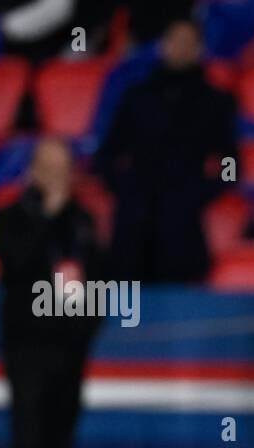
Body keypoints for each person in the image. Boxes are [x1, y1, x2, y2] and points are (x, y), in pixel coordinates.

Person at [0, 137, 101, 448]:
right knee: (29, 430)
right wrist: (48, 215)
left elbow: (99, 276)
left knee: (61, 431)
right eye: (49, 167)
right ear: (33, 170)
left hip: (70, 344)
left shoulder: (83, 221)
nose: (57, 176)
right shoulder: (12, 218)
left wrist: (90, 325)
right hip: (27, 344)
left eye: (64, 167)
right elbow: (16, 265)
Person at [95, 18, 237, 283]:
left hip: (182, 225)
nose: (181, 48)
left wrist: (204, 191)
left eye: (188, 42)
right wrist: (123, 187)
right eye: (175, 41)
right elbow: (107, 155)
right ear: (163, 46)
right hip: (133, 222)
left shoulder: (215, 102)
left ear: (199, 49)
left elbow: (230, 162)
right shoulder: (136, 97)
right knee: (125, 309)